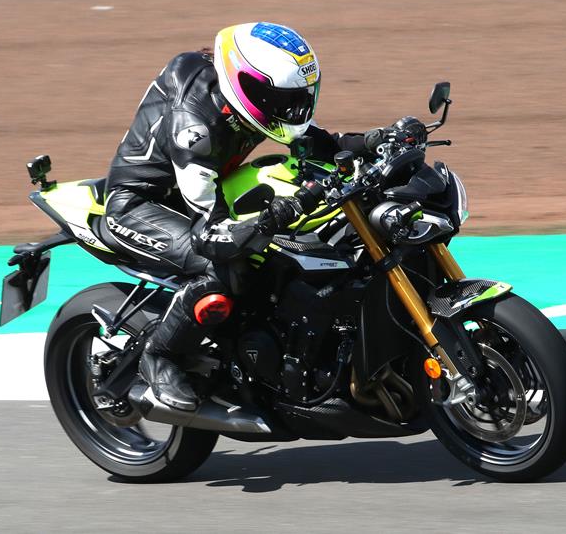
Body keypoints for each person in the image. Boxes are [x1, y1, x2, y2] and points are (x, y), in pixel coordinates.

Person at [104, 22, 376, 411]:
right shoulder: (195, 130)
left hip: (207, 185)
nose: (293, 110)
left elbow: (311, 140)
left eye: (299, 98)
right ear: (244, 84)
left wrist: (372, 142)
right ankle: (160, 356)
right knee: (223, 269)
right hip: (143, 205)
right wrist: (267, 222)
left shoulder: (247, 99)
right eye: (283, 100)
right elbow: (210, 234)